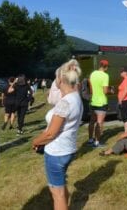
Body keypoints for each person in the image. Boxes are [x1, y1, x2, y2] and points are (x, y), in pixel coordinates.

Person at [32, 59, 83, 210]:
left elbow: (50, 134)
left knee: (57, 193)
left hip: (56, 152)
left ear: (60, 79)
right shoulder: (76, 98)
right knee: (61, 186)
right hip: (68, 149)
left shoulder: (65, 103)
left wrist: (35, 141)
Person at [88, 60, 114, 148]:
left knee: (92, 121)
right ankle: (97, 142)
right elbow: (105, 91)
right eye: (107, 67)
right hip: (101, 102)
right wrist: (111, 90)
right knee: (99, 123)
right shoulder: (105, 76)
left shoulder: (93, 74)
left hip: (93, 101)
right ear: (106, 67)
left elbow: (91, 89)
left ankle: (90, 140)